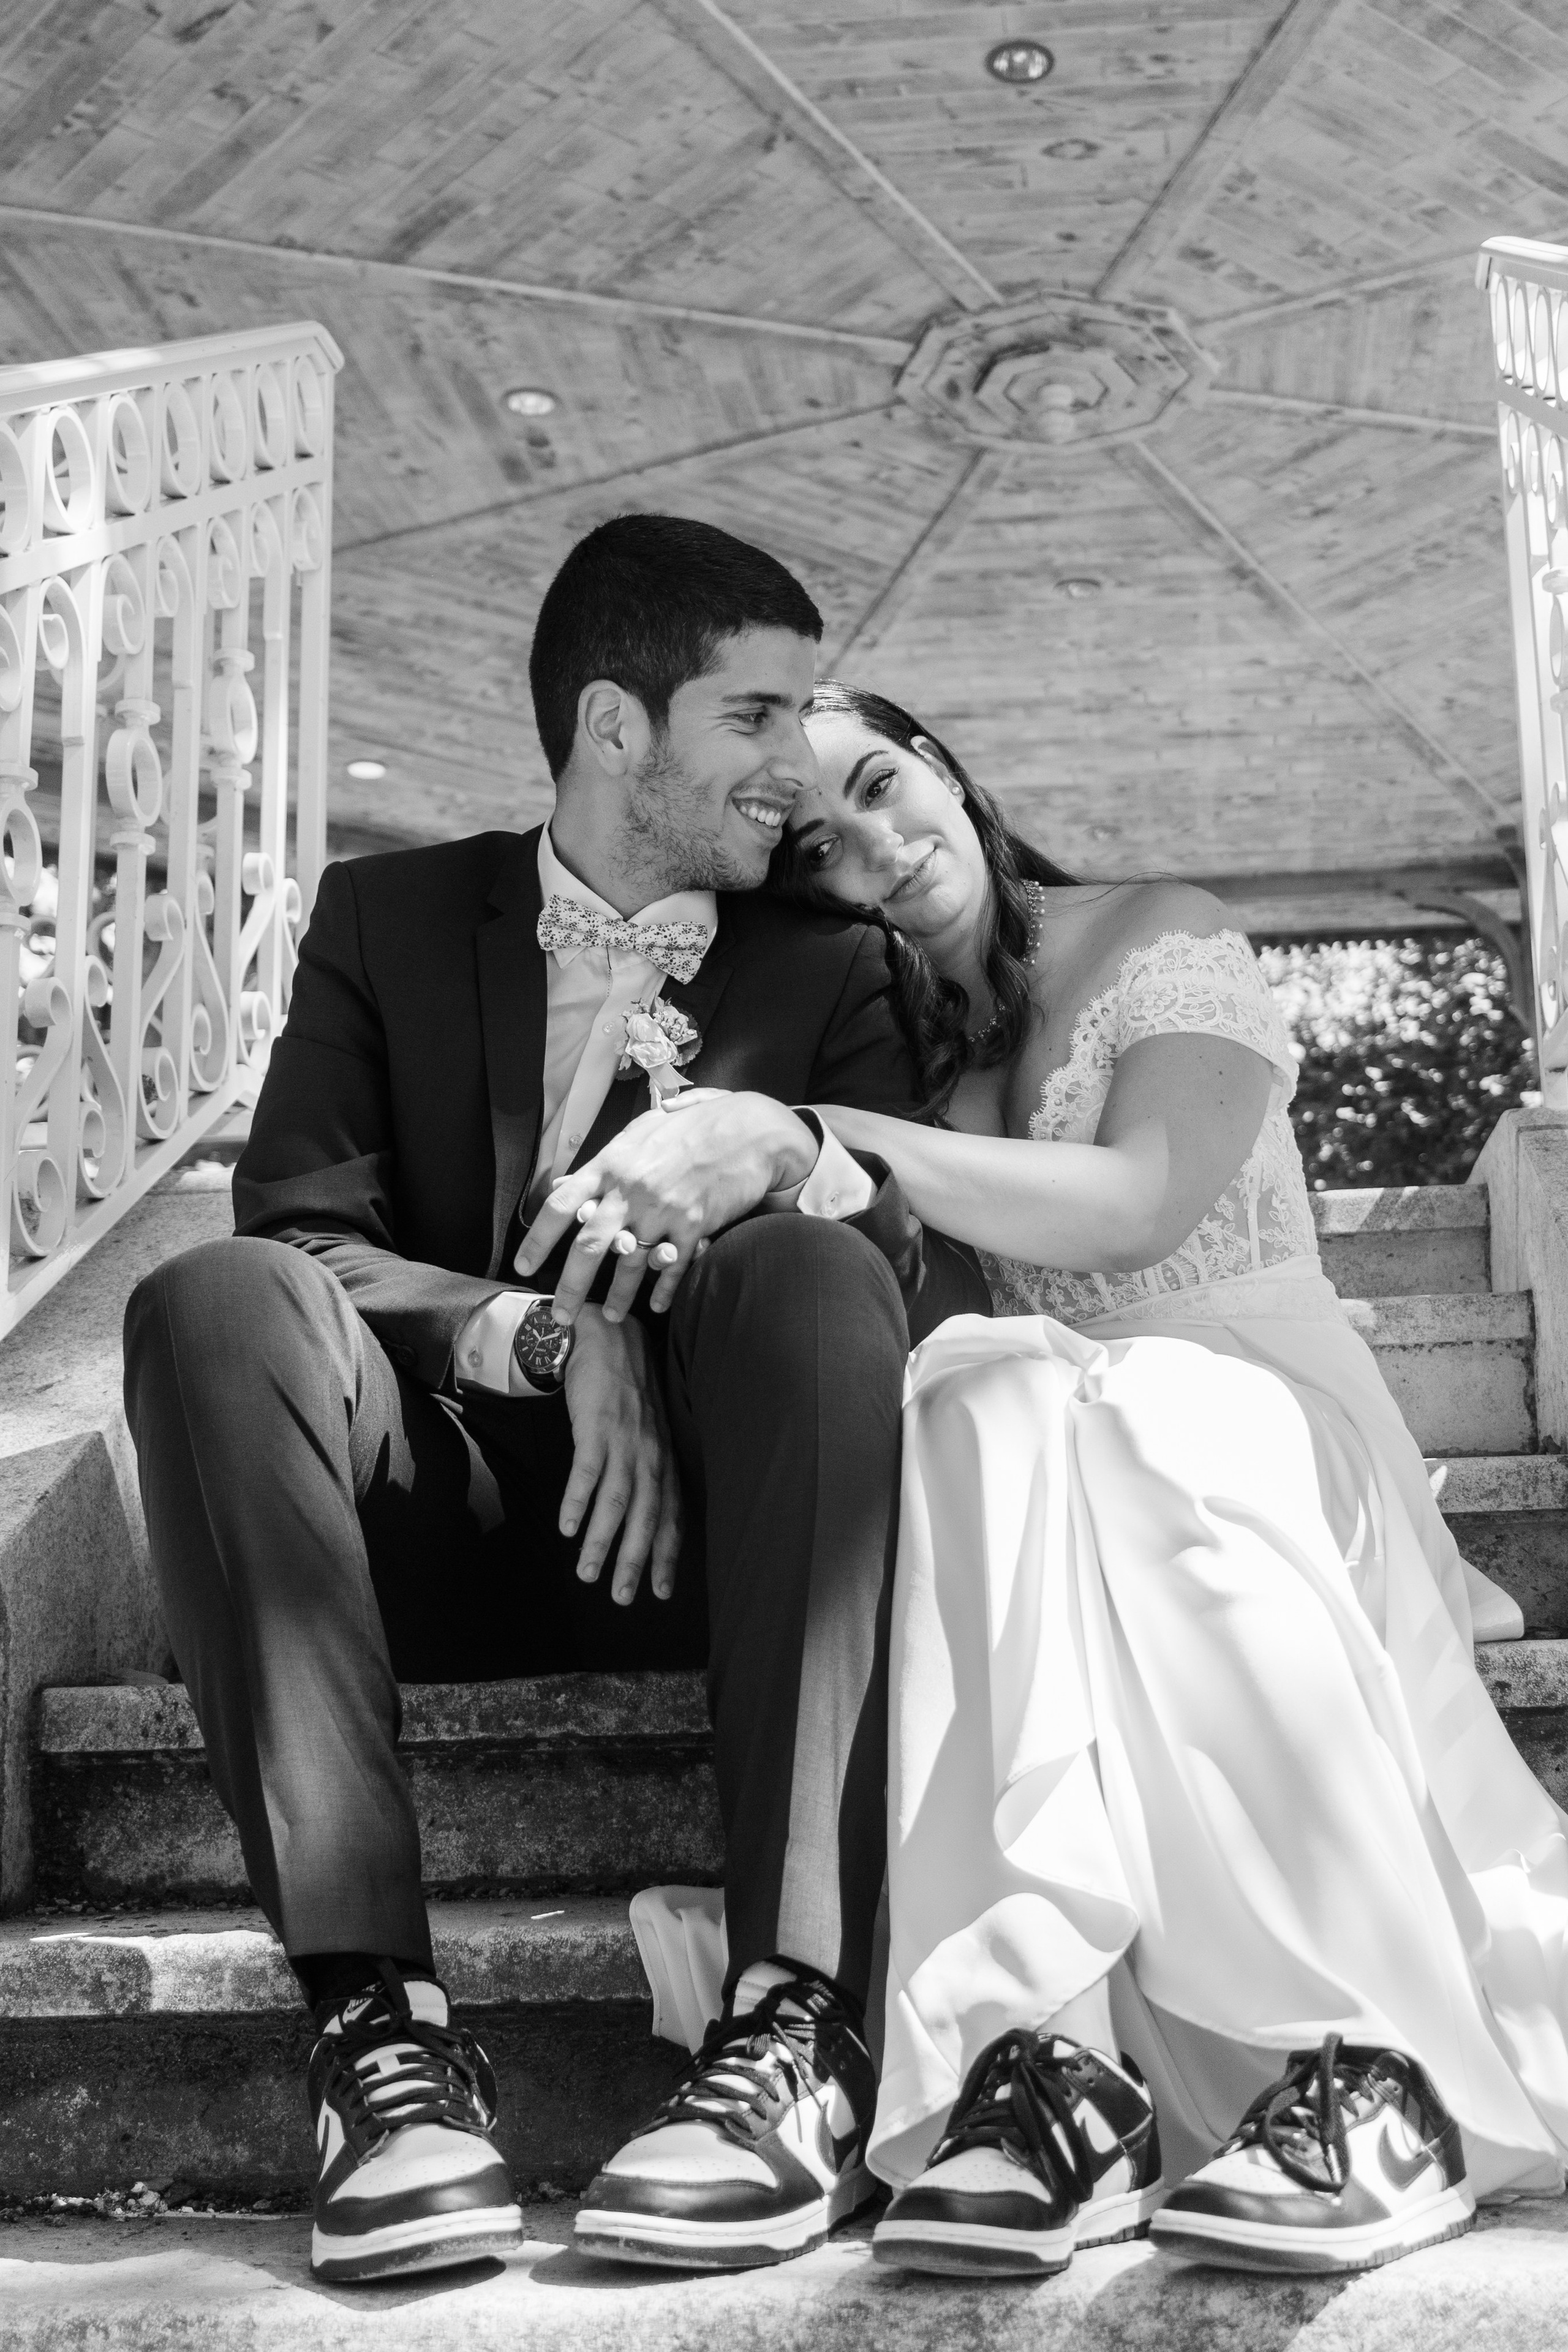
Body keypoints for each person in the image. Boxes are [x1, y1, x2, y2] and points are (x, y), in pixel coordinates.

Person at [121, 524, 989, 2284]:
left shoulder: (829, 962)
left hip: (745, 1549)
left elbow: (905, 1249)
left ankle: (796, 2026)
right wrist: (537, 1334)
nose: (791, 768)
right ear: (615, 724)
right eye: (755, 715)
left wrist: (762, 1199)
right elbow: (307, 1227)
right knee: (212, 1299)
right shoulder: (385, 917)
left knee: (817, 1260)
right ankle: (382, 2045)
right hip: (423, 1527)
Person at [631, 677, 1568, 2282]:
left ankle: (1361, 2065)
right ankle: (1042, 2068)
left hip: (1261, 1412)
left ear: (942, 765)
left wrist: (809, 1127)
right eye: (824, 849)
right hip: (1059, 1450)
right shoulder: (900, 1052)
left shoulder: (1157, 930)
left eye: (881, 784)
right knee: (981, 1396)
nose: (877, 844)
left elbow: (1139, 1202)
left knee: (1126, 1415)